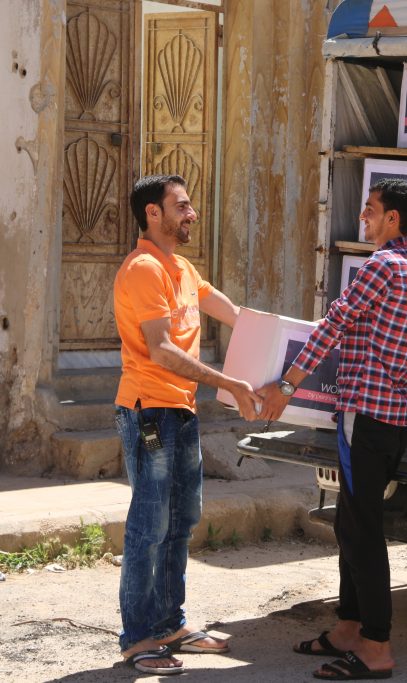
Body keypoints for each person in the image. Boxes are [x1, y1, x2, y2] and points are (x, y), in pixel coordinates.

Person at [258, 178, 407, 680]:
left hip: (366, 416)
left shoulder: (381, 266)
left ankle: (376, 646)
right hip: (390, 417)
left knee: (361, 532)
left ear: (393, 218)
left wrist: (285, 386)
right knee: (350, 523)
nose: (364, 219)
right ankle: (350, 627)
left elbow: (333, 324)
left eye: (371, 211)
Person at [113, 174, 260, 675]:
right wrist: (233, 383)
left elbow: (237, 315)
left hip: (181, 411)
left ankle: (170, 624)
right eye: (182, 206)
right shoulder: (144, 268)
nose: (191, 214)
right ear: (153, 213)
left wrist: (302, 343)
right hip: (149, 411)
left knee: (181, 522)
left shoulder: (184, 269)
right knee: (148, 527)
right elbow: (162, 350)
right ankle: (137, 639)